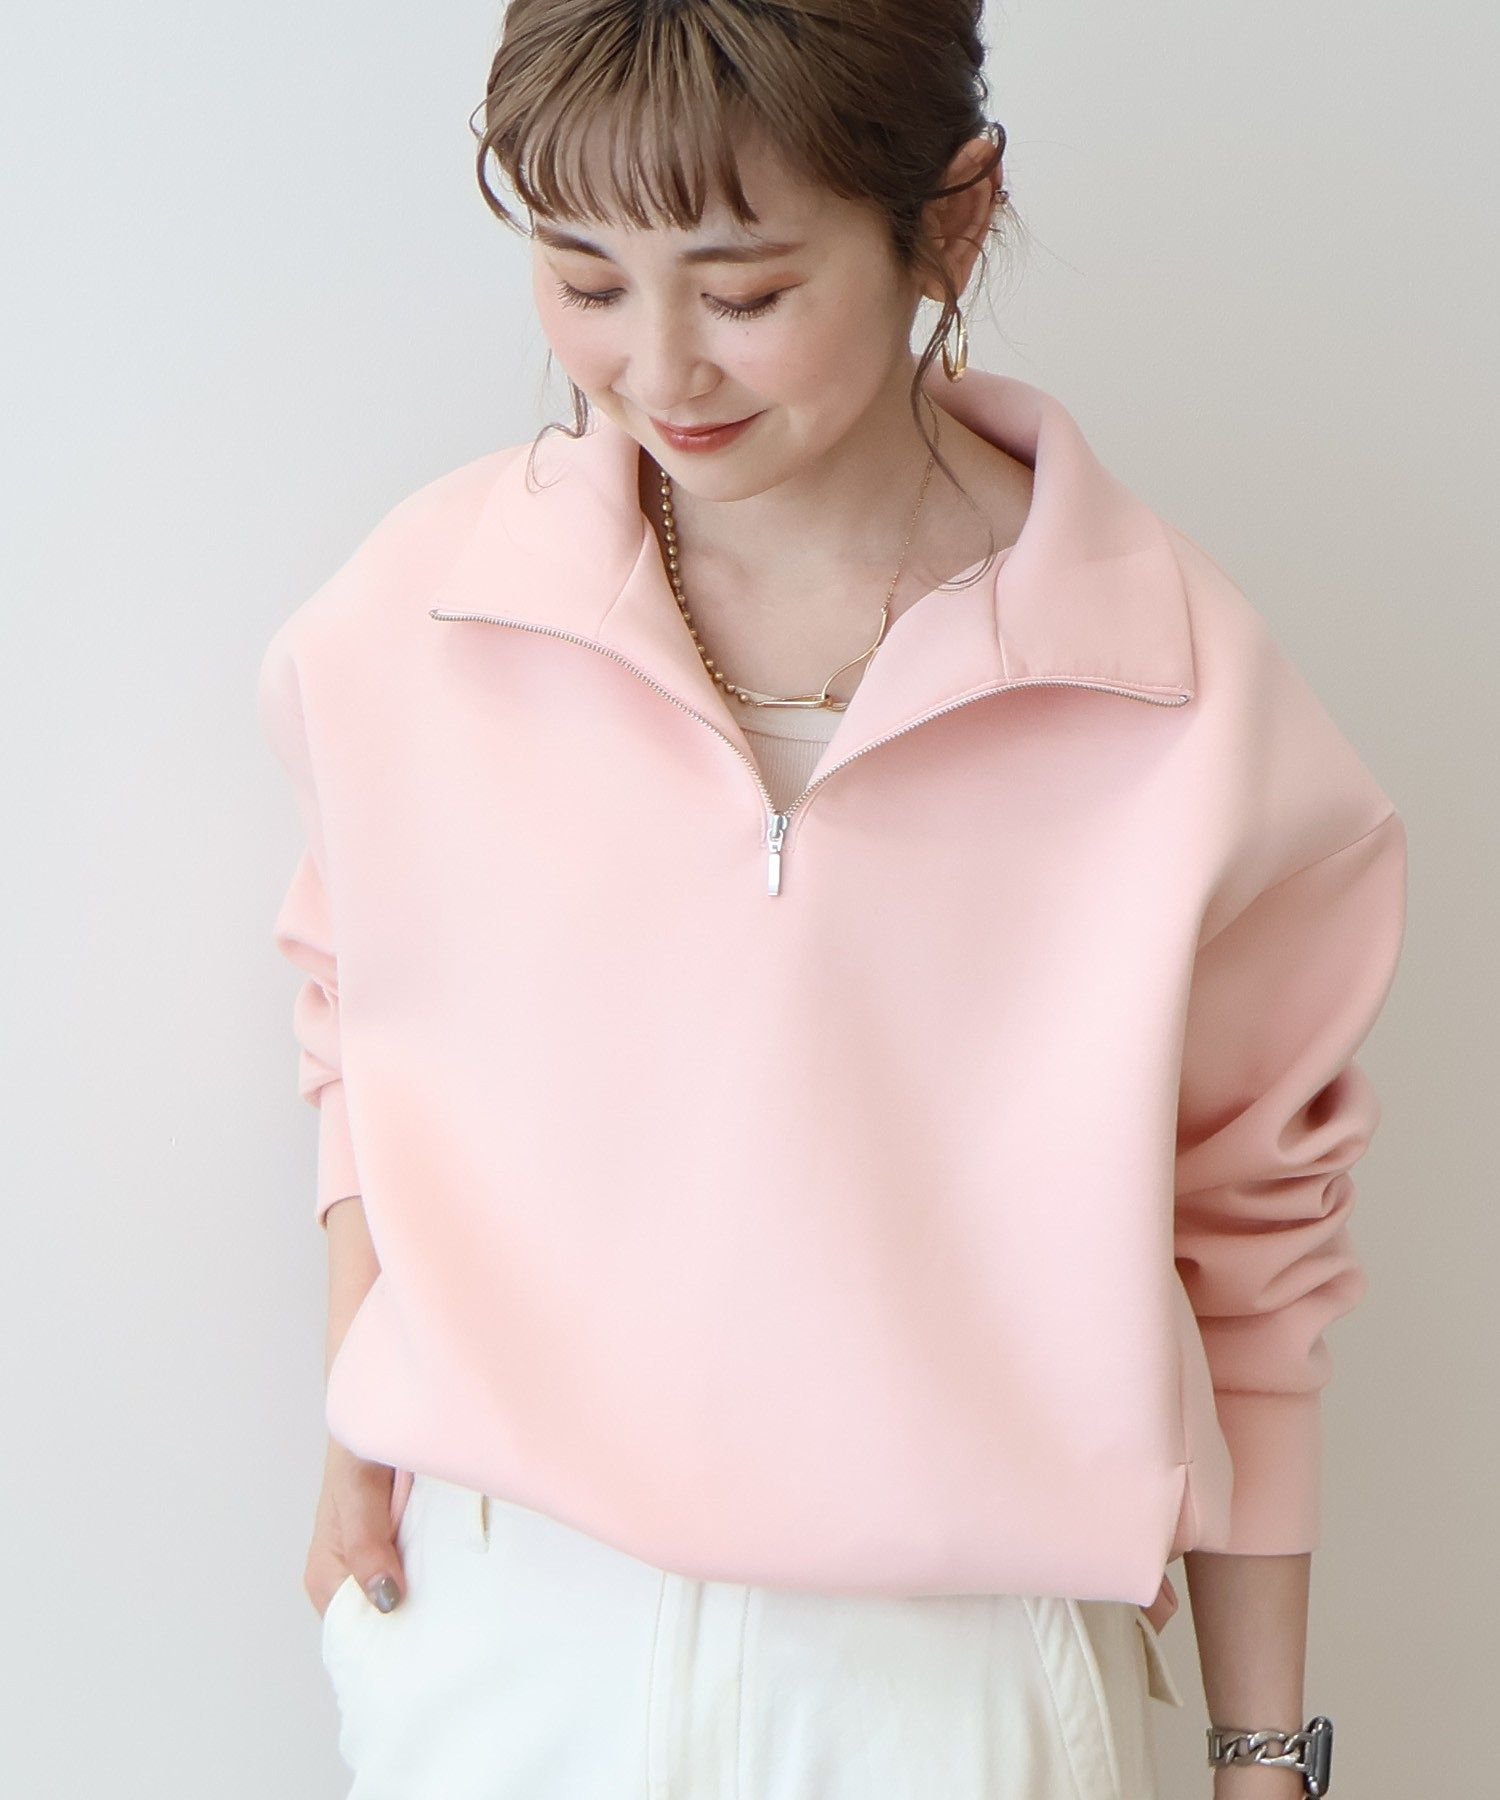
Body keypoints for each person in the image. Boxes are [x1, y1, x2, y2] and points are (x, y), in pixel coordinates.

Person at [257, 4, 1407, 1796]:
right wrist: (359, 1401)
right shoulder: (425, 612)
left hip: (950, 1692)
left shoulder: (1180, 699)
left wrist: (1265, 1754)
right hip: (502, 1641)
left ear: (951, 217)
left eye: (745, 290)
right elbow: (360, 1000)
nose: (658, 369)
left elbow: (1256, 1248)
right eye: (585, 276)